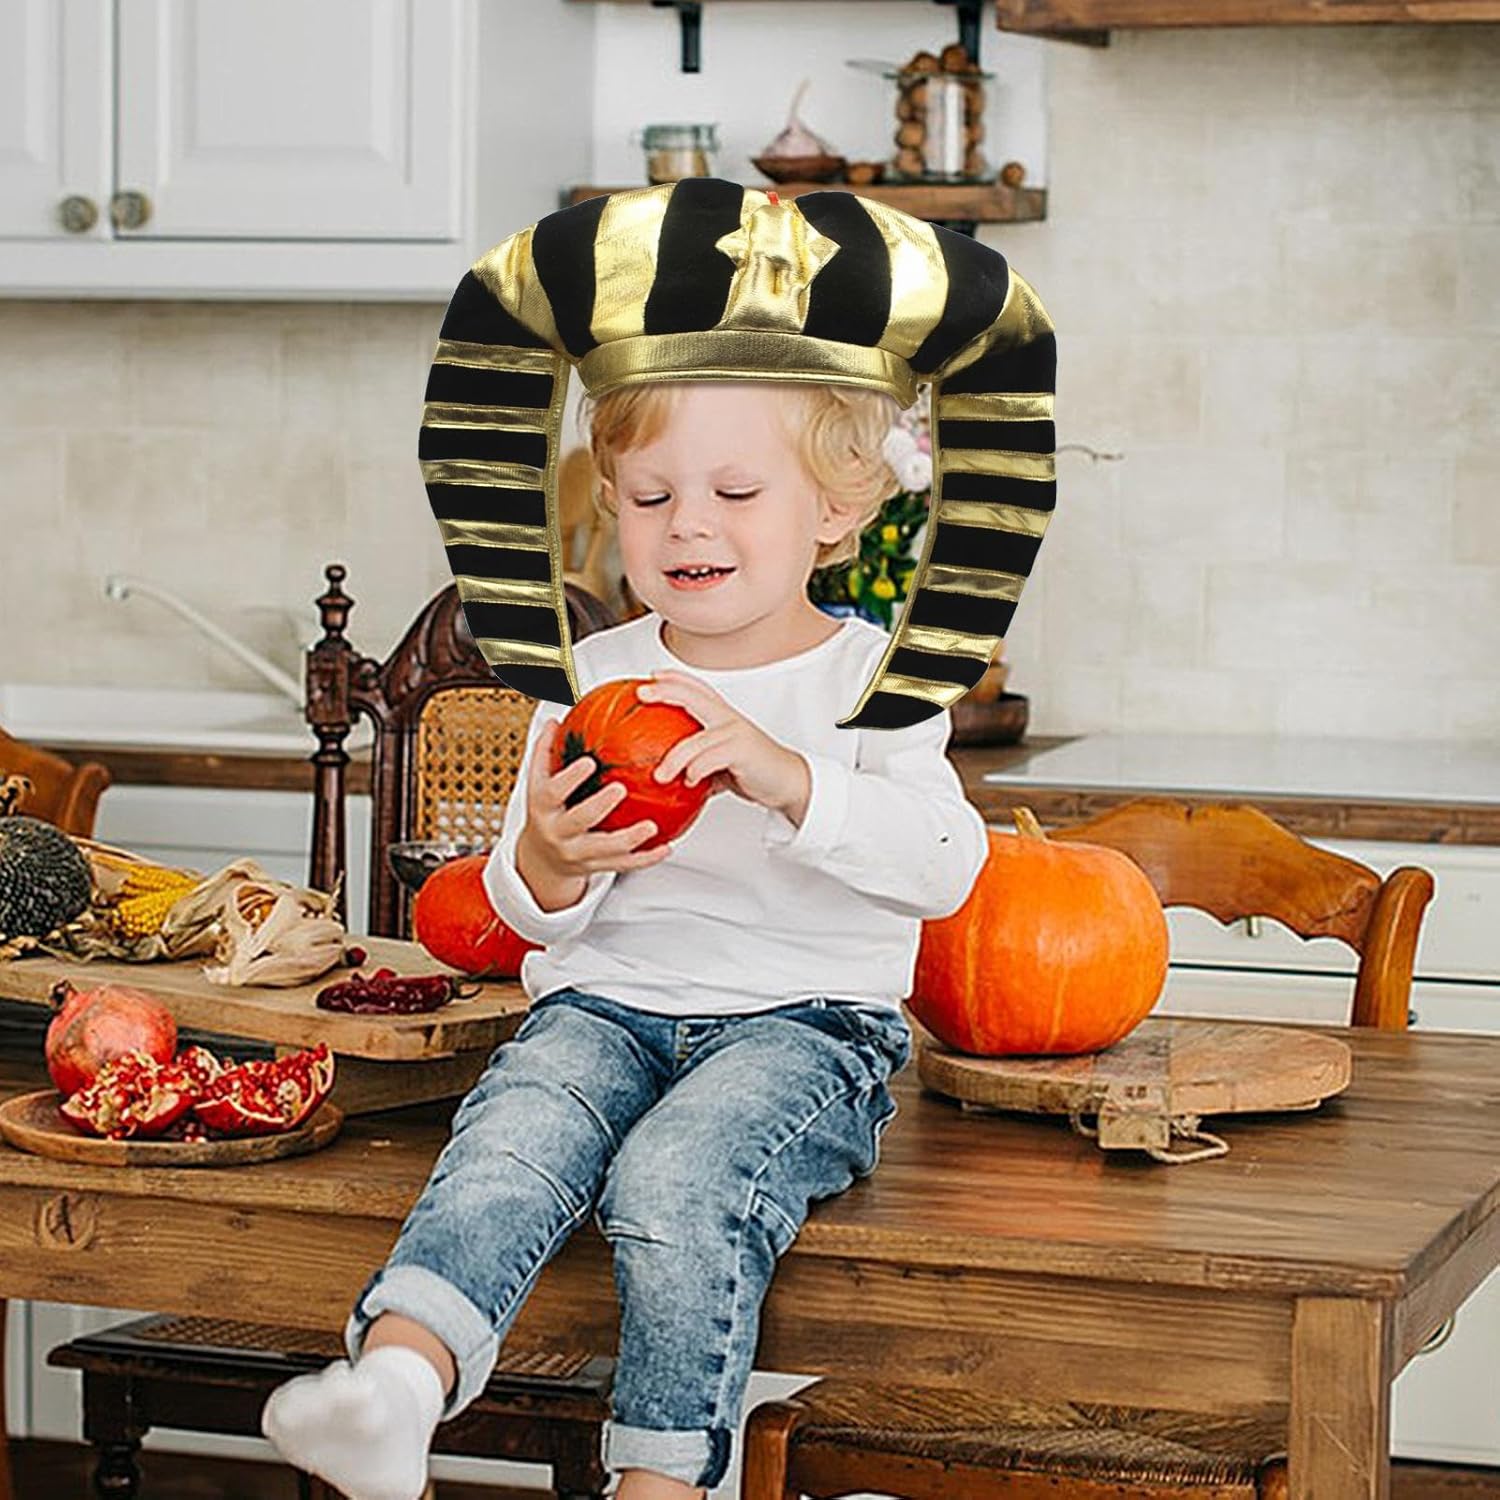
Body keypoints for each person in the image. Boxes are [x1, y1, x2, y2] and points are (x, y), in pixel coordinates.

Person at [261, 179, 1055, 1500]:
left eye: (736, 490)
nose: (688, 522)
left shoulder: (875, 680)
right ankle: (396, 1388)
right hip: (605, 1008)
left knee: (676, 1178)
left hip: (807, 1028)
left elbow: (944, 867)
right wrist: (553, 860)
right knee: (511, 1135)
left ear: (835, 510)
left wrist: (788, 777)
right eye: (648, 495)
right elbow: (525, 904)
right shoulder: (591, 677)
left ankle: (664, 1482)